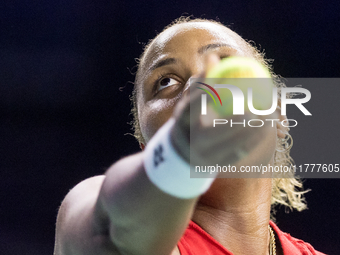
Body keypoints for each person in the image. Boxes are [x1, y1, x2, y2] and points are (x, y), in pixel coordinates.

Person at [54, 17, 325, 255]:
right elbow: (112, 235)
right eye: (165, 82)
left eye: (226, 66)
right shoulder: (90, 205)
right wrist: (181, 148)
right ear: (148, 148)